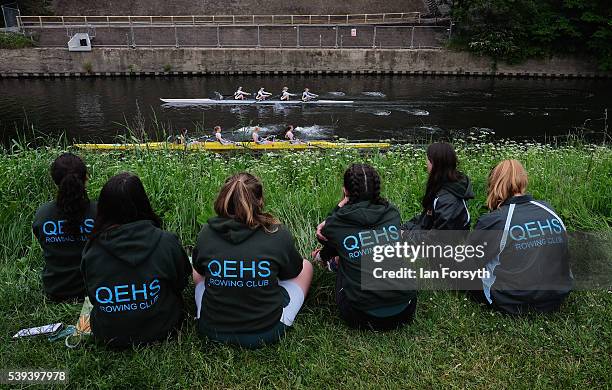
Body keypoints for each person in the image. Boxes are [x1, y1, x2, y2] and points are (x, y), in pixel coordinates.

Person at [192, 172, 313, 348]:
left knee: (197, 269)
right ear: (260, 200)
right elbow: (292, 272)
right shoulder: (276, 233)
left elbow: (200, 270)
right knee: (306, 266)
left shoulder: (206, 233)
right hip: (266, 330)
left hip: (212, 329)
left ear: (223, 198)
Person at [81, 173, 191, 348]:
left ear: (103, 207)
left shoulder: (92, 248)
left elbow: (92, 295)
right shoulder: (166, 241)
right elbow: (181, 281)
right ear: (143, 202)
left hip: (108, 333)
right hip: (163, 328)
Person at [313, 164, 417, 330]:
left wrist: (339, 206)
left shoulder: (336, 222)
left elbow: (327, 232)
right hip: (406, 308)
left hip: (361, 316)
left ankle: (329, 263)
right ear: (377, 189)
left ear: (346, 191)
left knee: (345, 257)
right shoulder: (392, 213)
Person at [468, 160, 573, 314]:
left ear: (493, 183)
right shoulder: (548, 209)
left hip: (511, 301)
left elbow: (472, 258)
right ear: (523, 180)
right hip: (556, 296)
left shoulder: (495, 220)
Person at [32, 153, 97, 302]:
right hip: (92, 289)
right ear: (86, 178)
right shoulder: (99, 213)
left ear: (54, 180)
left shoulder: (42, 214)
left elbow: (43, 243)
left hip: (56, 290)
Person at [401, 142, 474, 232]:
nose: (426, 163)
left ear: (435, 163)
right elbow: (427, 219)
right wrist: (407, 227)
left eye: (427, 159)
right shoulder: (444, 186)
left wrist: (407, 235)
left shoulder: (448, 200)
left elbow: (438, 240)